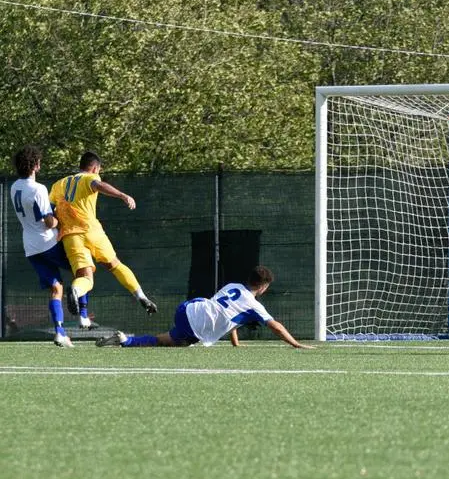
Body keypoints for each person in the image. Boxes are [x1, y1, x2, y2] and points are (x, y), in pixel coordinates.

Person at [96, 265, 314, 349]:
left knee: (165, 339)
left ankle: (125, 340)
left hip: (187, 308)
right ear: (264, 287)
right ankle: (127, 340)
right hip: (195, 326)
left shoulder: (233, 286)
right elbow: (275, 326)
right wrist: (296, 344)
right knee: (176, 343)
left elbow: (230, 318)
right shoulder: (254, 305)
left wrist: (235, 344)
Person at [49, 151, 157, 316]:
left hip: (70, 237)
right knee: (115, 265)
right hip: (92, 231)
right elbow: (98, 185)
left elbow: (49, 211)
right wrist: (122, 195)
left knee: (86, 278)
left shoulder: (58, 184)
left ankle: (76, 290)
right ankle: (140, 295)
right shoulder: (90, 178)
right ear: (94, 168)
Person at [9, 145, 94, 348]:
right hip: (48, 242)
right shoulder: (38, 189)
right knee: (84, 267)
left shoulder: (14, 187)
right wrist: (60, 216)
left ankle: (60, 332)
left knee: (56, 288)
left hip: (30, 247)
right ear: (35, 165)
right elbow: (49, 222)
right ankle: (83, 315)